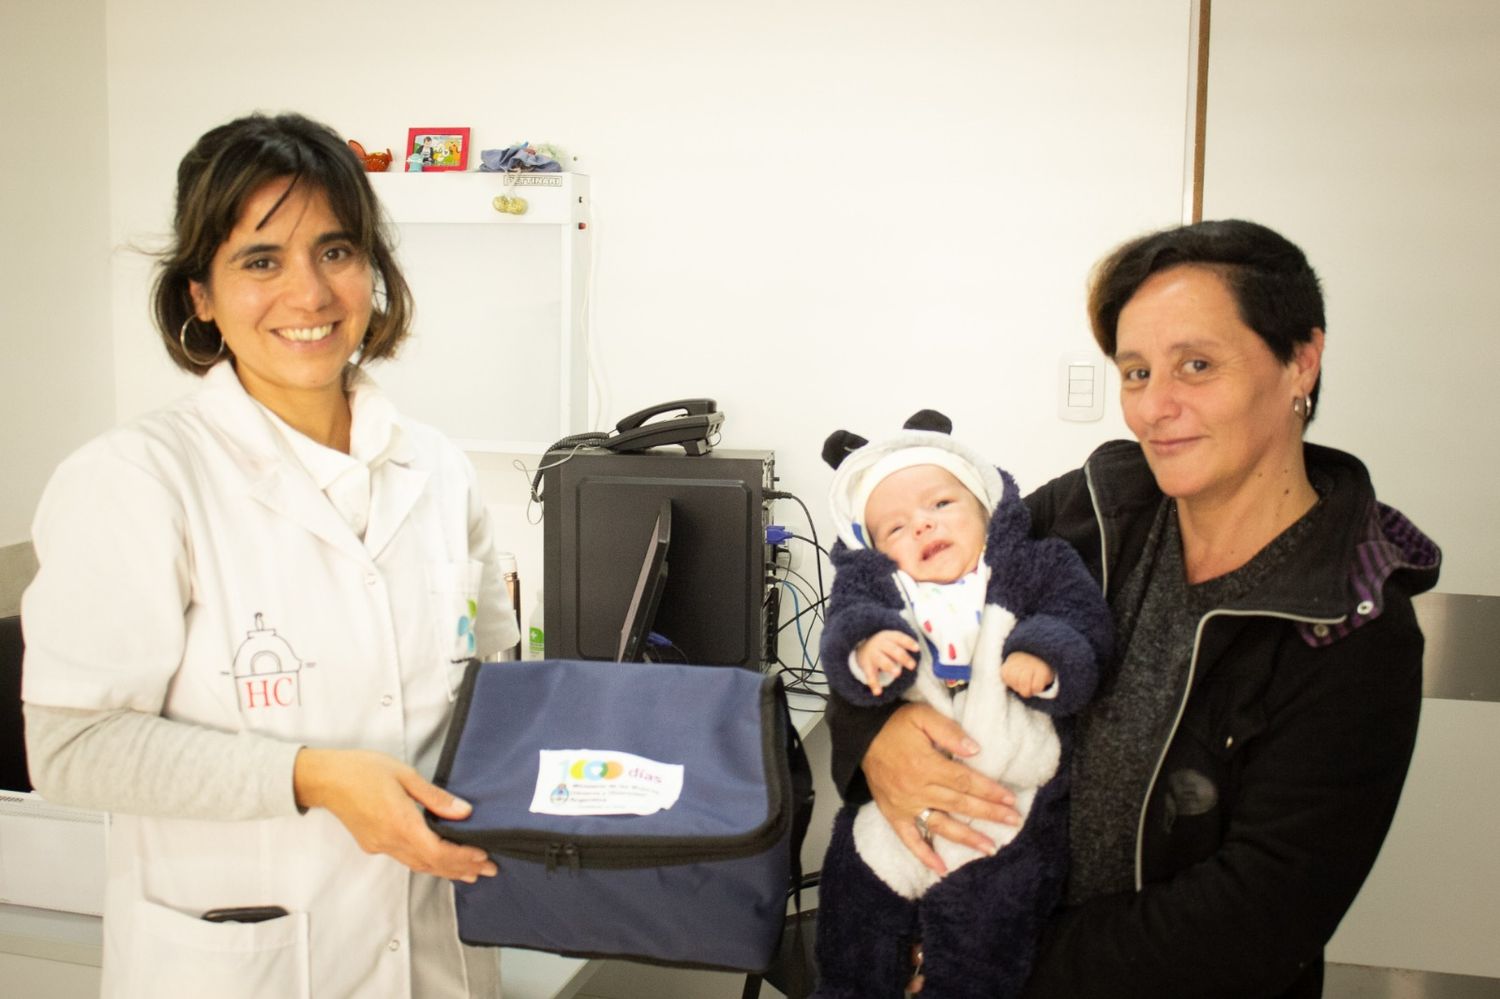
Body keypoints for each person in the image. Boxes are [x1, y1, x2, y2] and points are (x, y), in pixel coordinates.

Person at [827, 219, 1441, 998]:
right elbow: (893, 591)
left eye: (1197, 365)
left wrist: (993, 960)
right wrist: (873, 738)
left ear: (1300, 361)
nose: (1156, 408)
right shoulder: (1094, 511)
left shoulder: (1351, 625)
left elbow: (1257, 917)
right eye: (1137, 372)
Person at [21, 112, 518, 999]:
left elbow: (494, 696)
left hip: (437, 952)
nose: (310, 294)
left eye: (335, 251)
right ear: (201, 295)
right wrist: (312, 777)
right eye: (260, 261)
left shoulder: (436, 469)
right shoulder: (134, 479)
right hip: (240, 966)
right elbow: (72, 746)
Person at [813, 412, 1111, 999]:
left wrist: (1046, 657)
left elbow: (1081, 618)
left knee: (985, 933)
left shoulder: (1032, 565)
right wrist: (866, 649)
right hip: (892, 810)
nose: (922, 527)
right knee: (855, 902)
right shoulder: (880, 590)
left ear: (987, 509)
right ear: (873, 550)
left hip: (1007, 800)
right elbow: (843, 630)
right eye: (895, 528)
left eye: (941, 505)